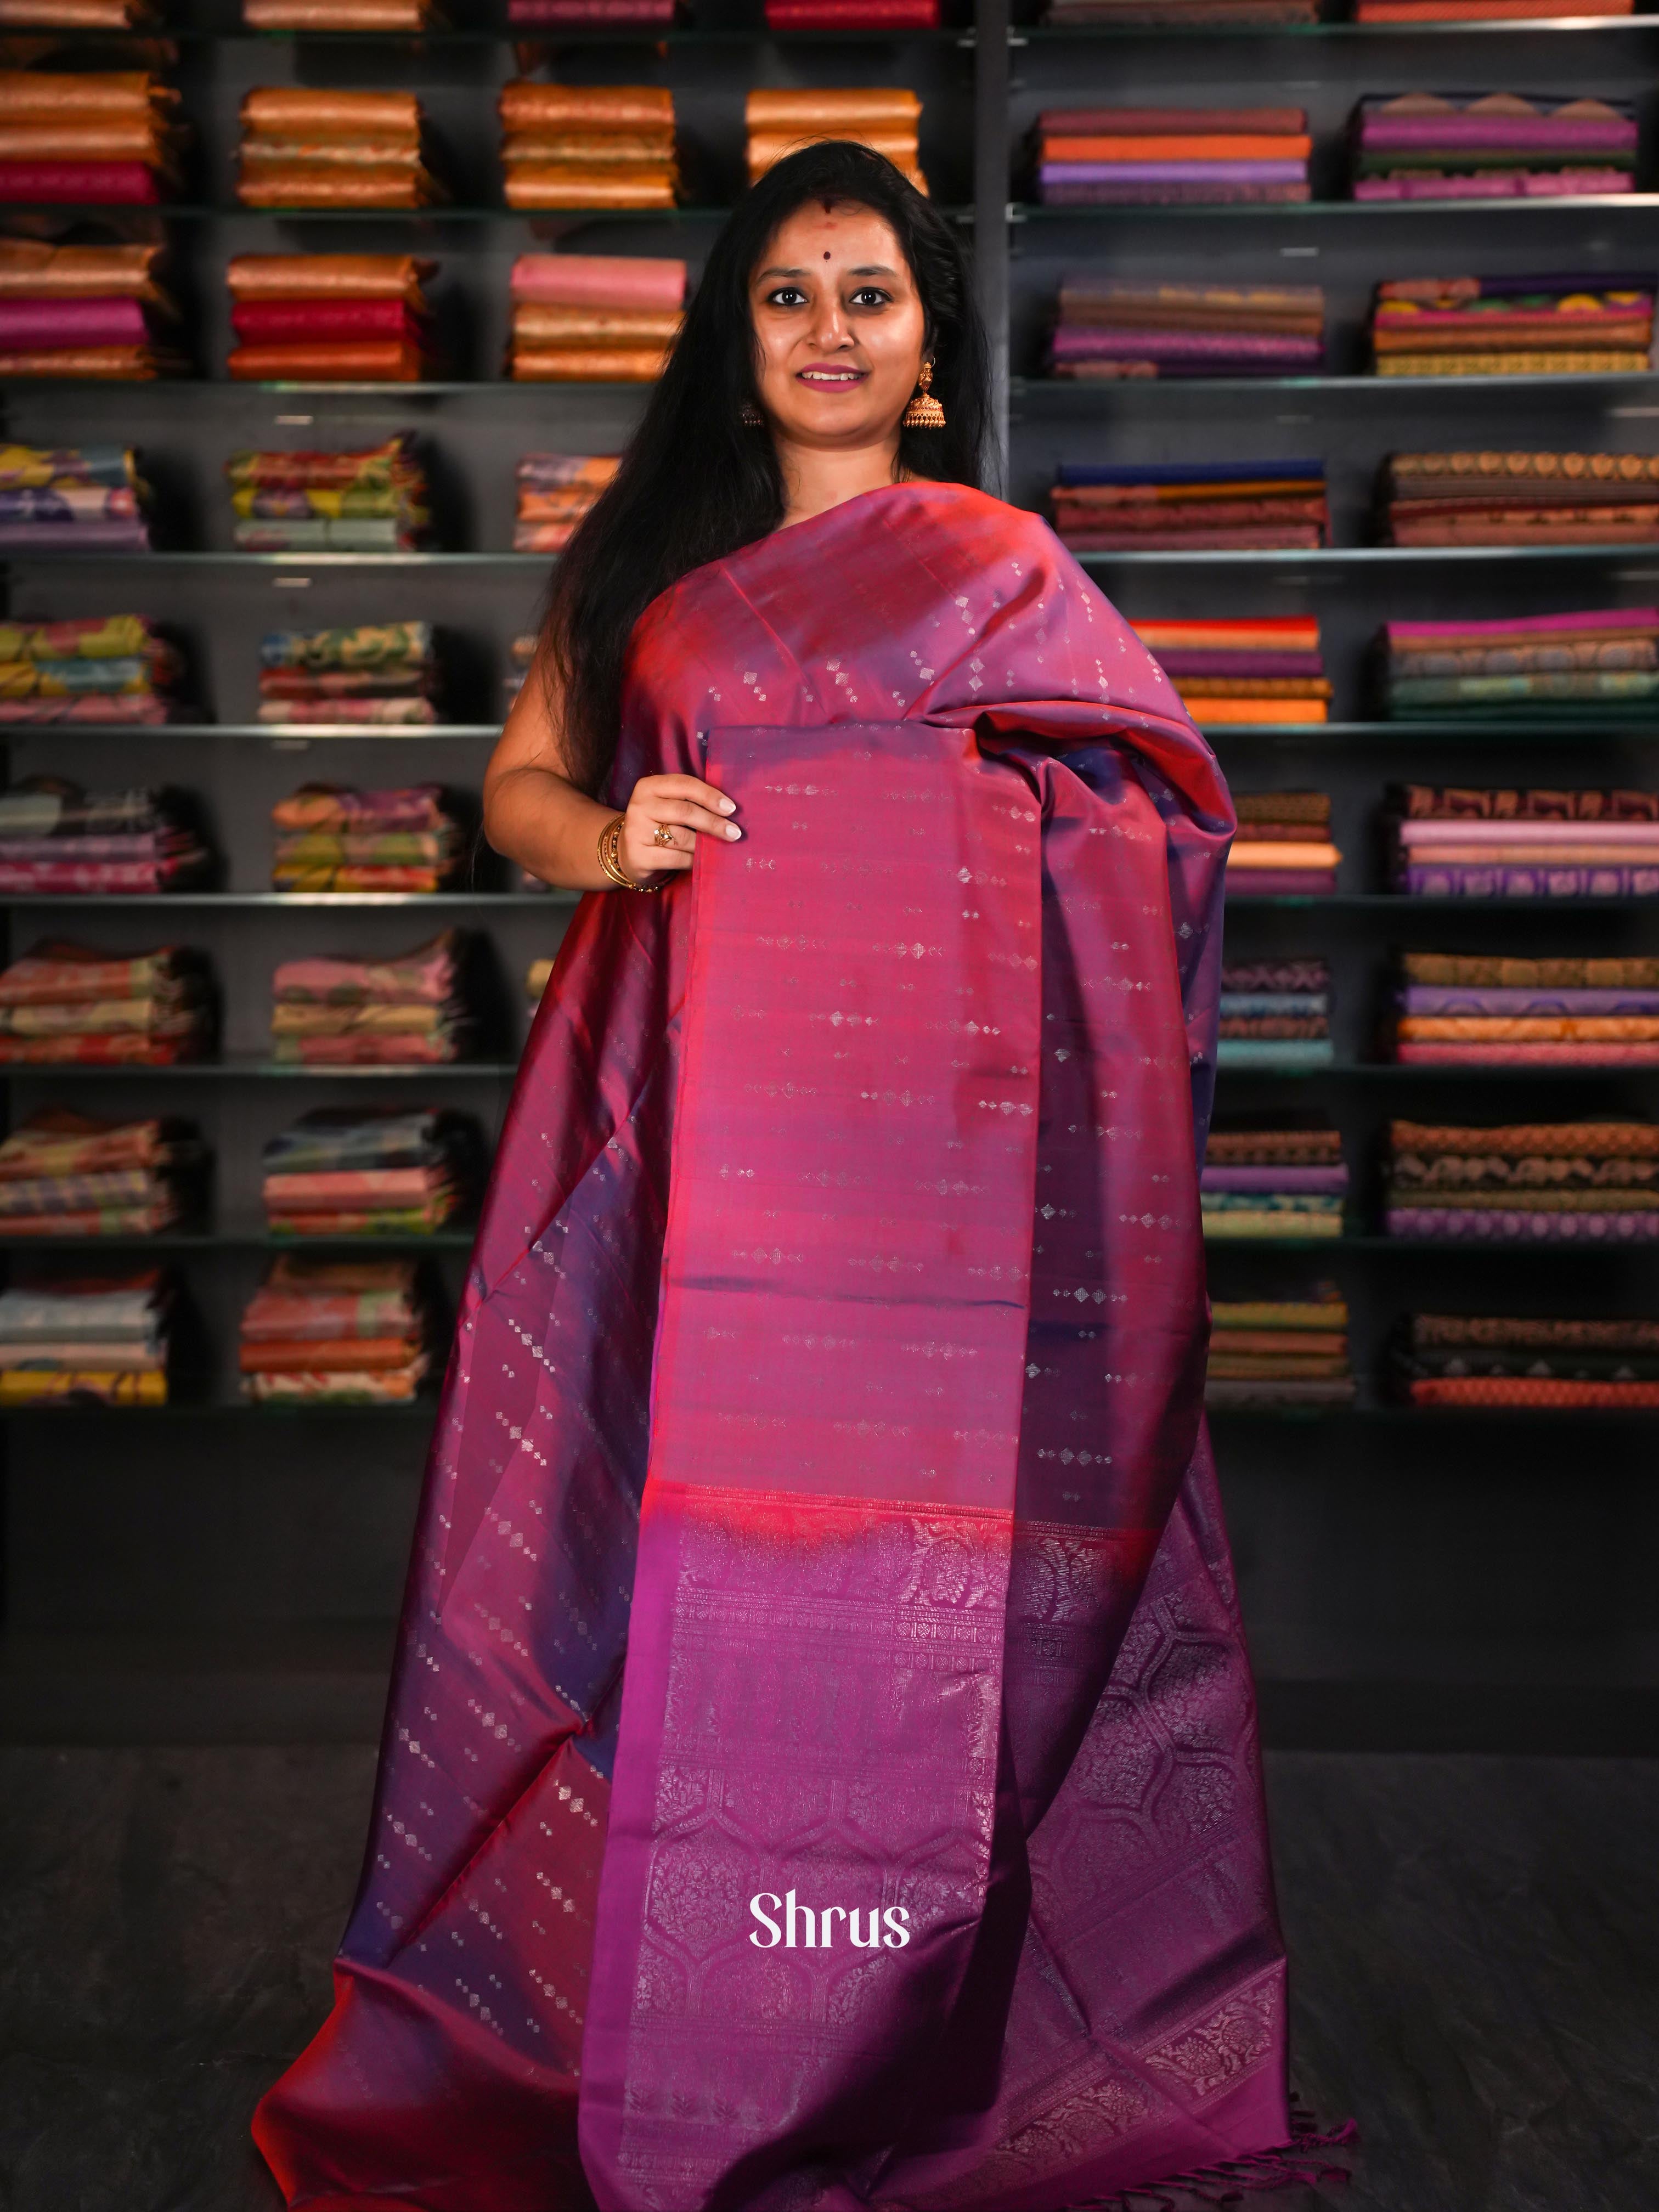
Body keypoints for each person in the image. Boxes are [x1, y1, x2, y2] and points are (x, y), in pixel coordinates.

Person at [254, 140, 1337, 2212]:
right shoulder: (651, 565)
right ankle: (660, 2006)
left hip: (940, 1157)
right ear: (732, 335)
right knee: (666, 1558)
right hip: (689, 1138)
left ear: (930, 349)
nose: (830, 331)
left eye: (871, 296)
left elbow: (1161, 808)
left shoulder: (1007, 565)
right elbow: (520, 786)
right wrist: (619, 838)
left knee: (933, 1569)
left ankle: (929, 2010)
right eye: (787, 294)